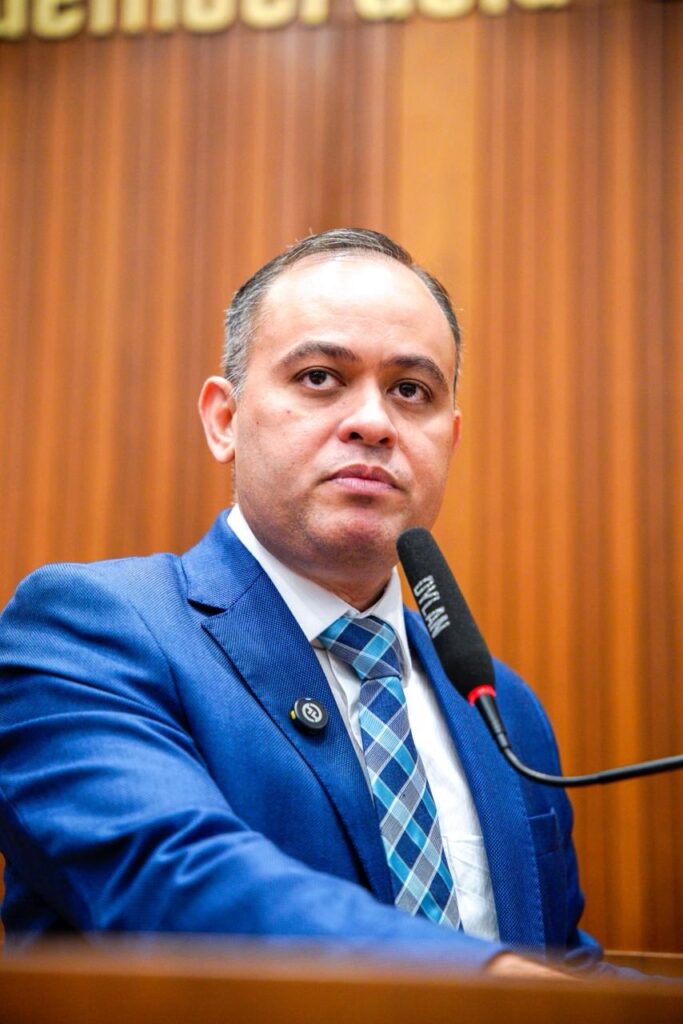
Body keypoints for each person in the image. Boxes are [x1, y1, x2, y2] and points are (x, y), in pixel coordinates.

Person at [0, 229, 602, 977]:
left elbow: (564, 969)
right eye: (320, 377)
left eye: (411, 391)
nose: (373, 422)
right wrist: (482, 984)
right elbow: (176, 883)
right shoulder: (84, 630)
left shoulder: (500, 708)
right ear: (224, 419)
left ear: (450, 440)